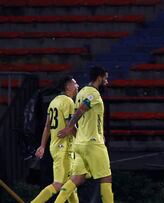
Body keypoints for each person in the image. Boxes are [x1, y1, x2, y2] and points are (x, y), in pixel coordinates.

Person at [54, 66, 114, 203]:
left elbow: (83, 116)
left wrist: (73, 129)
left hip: (80, 143)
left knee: (77, 179)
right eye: (105, 78)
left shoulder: (80, 93)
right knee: (106, 177)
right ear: (99, 77)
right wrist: (69, 127)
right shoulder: (94, 94)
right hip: (93, 143)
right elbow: (81, 110)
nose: (106, 81)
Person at [31, 75, 79, 203]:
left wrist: (42, 146)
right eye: (75, 84)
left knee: (70, 185)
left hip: (55, 146)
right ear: (68, 86)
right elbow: (71, 126)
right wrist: (82, 140)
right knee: (59, 184)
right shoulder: (68, 101)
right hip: (65, 148)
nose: (77, 86)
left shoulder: (54, 101)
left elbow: (47, 126)